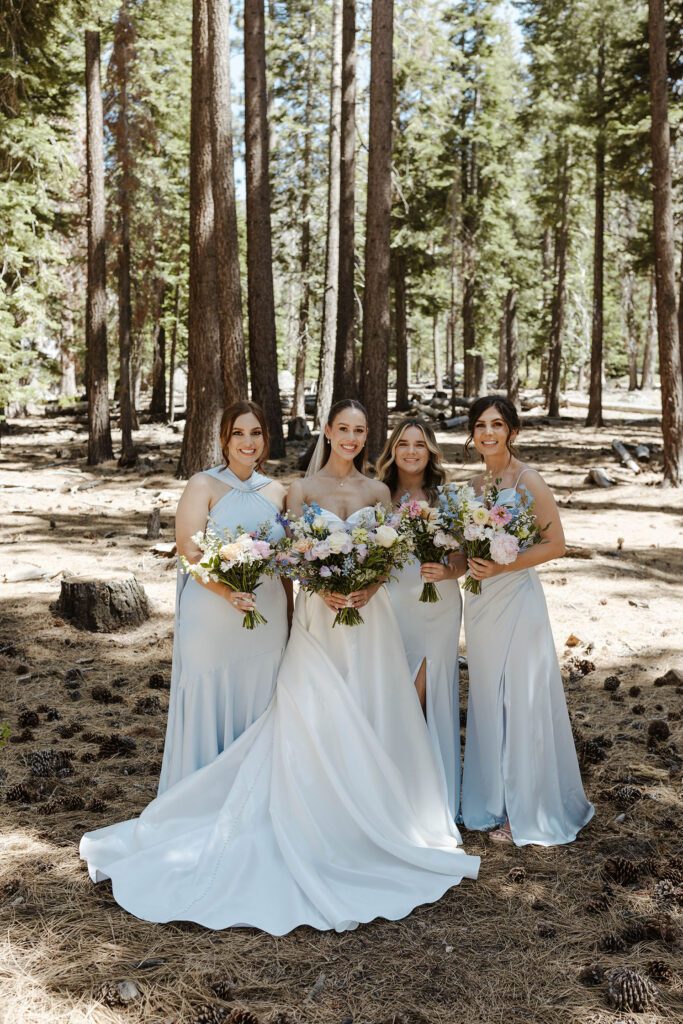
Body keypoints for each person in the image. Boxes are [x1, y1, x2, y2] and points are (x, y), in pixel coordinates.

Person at [80, 399, 479, 934]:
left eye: (361, 431)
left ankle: (377, 812)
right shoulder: (299, 491)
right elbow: (290, 560)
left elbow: (387, 555)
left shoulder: (378, 492)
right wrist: (318, 592)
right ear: (328, 432)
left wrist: (364, 587)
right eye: (343, 429)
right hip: (319, 618)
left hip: (368, 617)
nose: (352, 438)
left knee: (370, 705)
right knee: (311, 711)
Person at [460, 395, 594, 846]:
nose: (488, 433)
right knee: (487, 698)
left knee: (521, 698)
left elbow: (555, 544)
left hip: (516, 598)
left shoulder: (527, 480)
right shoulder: (475, 487)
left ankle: (529, 808)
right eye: (480, 425)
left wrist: (502, 566)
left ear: (512, 432)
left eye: (497, 424)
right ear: (472, 434)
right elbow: (468, 549)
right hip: (479, 606)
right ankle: (492, 801)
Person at [157, 401, 290, 794]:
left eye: (256, 433)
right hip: (213, 617)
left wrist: (293, 616)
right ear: (223, 439)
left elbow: (284, 565)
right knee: (211, 702)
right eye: (238, 433)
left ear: (265, 439)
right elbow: (189, 553)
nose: (247, 442)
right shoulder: (203, 484)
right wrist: (228, 592)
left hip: (266, 620)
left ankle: (249, 797)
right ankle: (199, 797)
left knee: (259, 700)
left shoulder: (280, 492)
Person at [376, 417, 466, 819]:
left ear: (430, 450)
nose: (411, 451)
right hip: (392, 602)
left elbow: (465, 555)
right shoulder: (377, 495)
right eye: (403, 444)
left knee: (426, 693)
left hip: (437, 604)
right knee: (393, 688)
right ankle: (393, 790)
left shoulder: (446, 496)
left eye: (419, 444)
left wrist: (447, 571)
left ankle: (431, 795)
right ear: (392, 450)